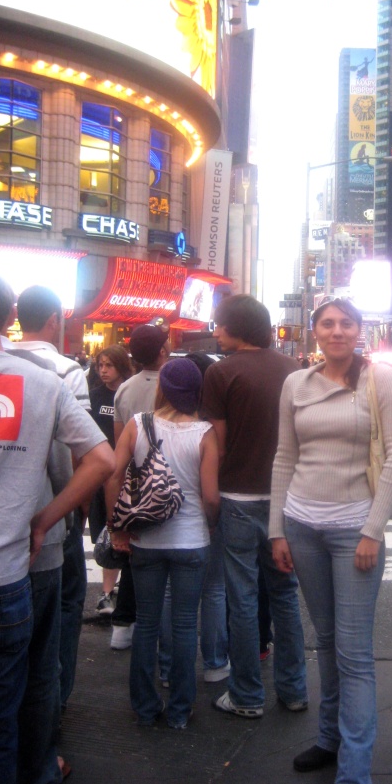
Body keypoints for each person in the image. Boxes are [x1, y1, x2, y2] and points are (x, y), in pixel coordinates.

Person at [270, 298, 392, 784]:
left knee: (354, 653)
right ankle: (329, 737)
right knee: (326, 640)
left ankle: (354, 774)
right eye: (327, 324)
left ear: (359, 330)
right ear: (315, 332)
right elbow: (284, 459)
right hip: (301, 525)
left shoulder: (380, 380)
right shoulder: (296, 383)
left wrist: (373, 530)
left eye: (345, 323)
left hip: (356, 528)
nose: (336, 331)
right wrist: (276, 529)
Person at [0, 276, 115, 784]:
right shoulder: (45, 379)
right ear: (10, 319)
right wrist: (47, 520)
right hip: (13, 567)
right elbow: (99, 460)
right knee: (15, 691)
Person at [202, 294, 307, 719]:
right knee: (284, 593)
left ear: (235, 327)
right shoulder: (293, 370)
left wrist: (211, 499)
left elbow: (218, 446)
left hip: (239, 497)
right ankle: (294, 689)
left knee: (242, 597)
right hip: (287, 497)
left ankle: (246, 695)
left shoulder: (220, 372)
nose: (214, 331)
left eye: (219, 325)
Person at [105, 359, 220, 729]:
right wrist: (209, 526)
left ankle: (144, 706)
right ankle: (181, 710)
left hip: (146, 540)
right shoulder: (205, 433)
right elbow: (211, 496)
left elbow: (113, 475)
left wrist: (117, 525)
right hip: (192, 541)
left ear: (163, 389)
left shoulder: (139, 425)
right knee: (187, 625)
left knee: (148, 623)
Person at [15, 285, 92, 713]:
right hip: (49, 511)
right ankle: (52, 709)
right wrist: (71, 506)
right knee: (61, 609)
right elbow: (77, 453)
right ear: (54, 321)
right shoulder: (65, 371)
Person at [158, 351, 231, 686]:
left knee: (170, 594)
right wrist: (212, 517)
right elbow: (211, 492)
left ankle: (168, 667)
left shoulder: (146, 422)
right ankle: (215, 662)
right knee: (214, 589)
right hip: (202, 519)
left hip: (159, 521)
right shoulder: (208, 426)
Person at [109, 322, 171, 650]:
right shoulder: (176, 383)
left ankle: (123, 622)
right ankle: (160, 634)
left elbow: (120, 440)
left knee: (136, 552)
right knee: (169, 557)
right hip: (170, 477)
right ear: (162, 350)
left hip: (133, 477)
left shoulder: (125, 389)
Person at [88, 345, 133, 615]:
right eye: (100, 366)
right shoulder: (94, 396)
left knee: (123, 533)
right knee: (105, 535)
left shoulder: (127, 393)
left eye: (109, 366)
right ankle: (106, 594)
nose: (103, 371)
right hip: (98, 473)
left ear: (121, 367)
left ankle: (122, 593)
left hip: (125, 474)